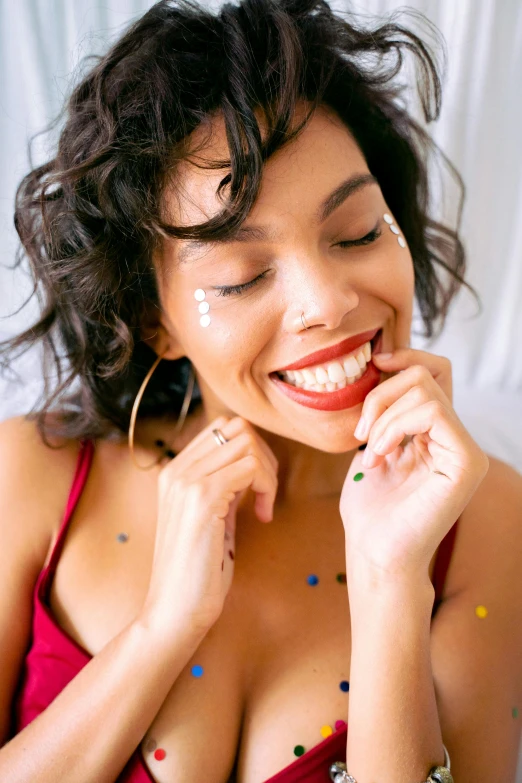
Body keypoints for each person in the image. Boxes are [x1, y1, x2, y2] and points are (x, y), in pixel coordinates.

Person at [0, 0, 520, 781]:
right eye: (243, 277)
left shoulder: (484, 517)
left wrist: (389, 583)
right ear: (153, 320)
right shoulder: (31, 477)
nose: (330, 301)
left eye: (357, 232)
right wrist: (162, 628)